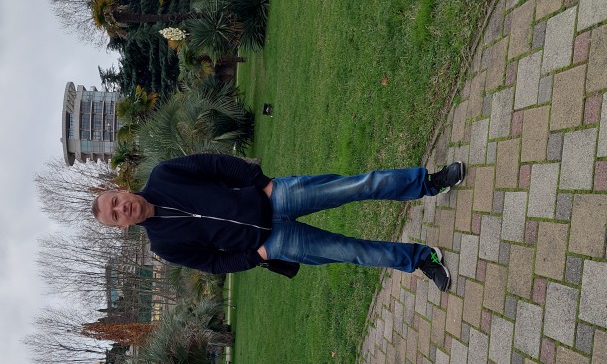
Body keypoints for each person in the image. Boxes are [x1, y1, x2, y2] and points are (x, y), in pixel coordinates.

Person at [92, 154, 465, 292]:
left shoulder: (164, 174)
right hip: (276, 242)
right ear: (121, 227)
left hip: (276, 196)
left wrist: (261, 182)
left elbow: (215, 165)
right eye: (115, 216)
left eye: (115, 202)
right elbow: (213, 263)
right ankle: (422, 259)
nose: (122, 209)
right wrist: (257, 255)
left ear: (121, 191)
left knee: (358, 185)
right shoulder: (163, 245)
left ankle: (429, 182)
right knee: (353, 252)